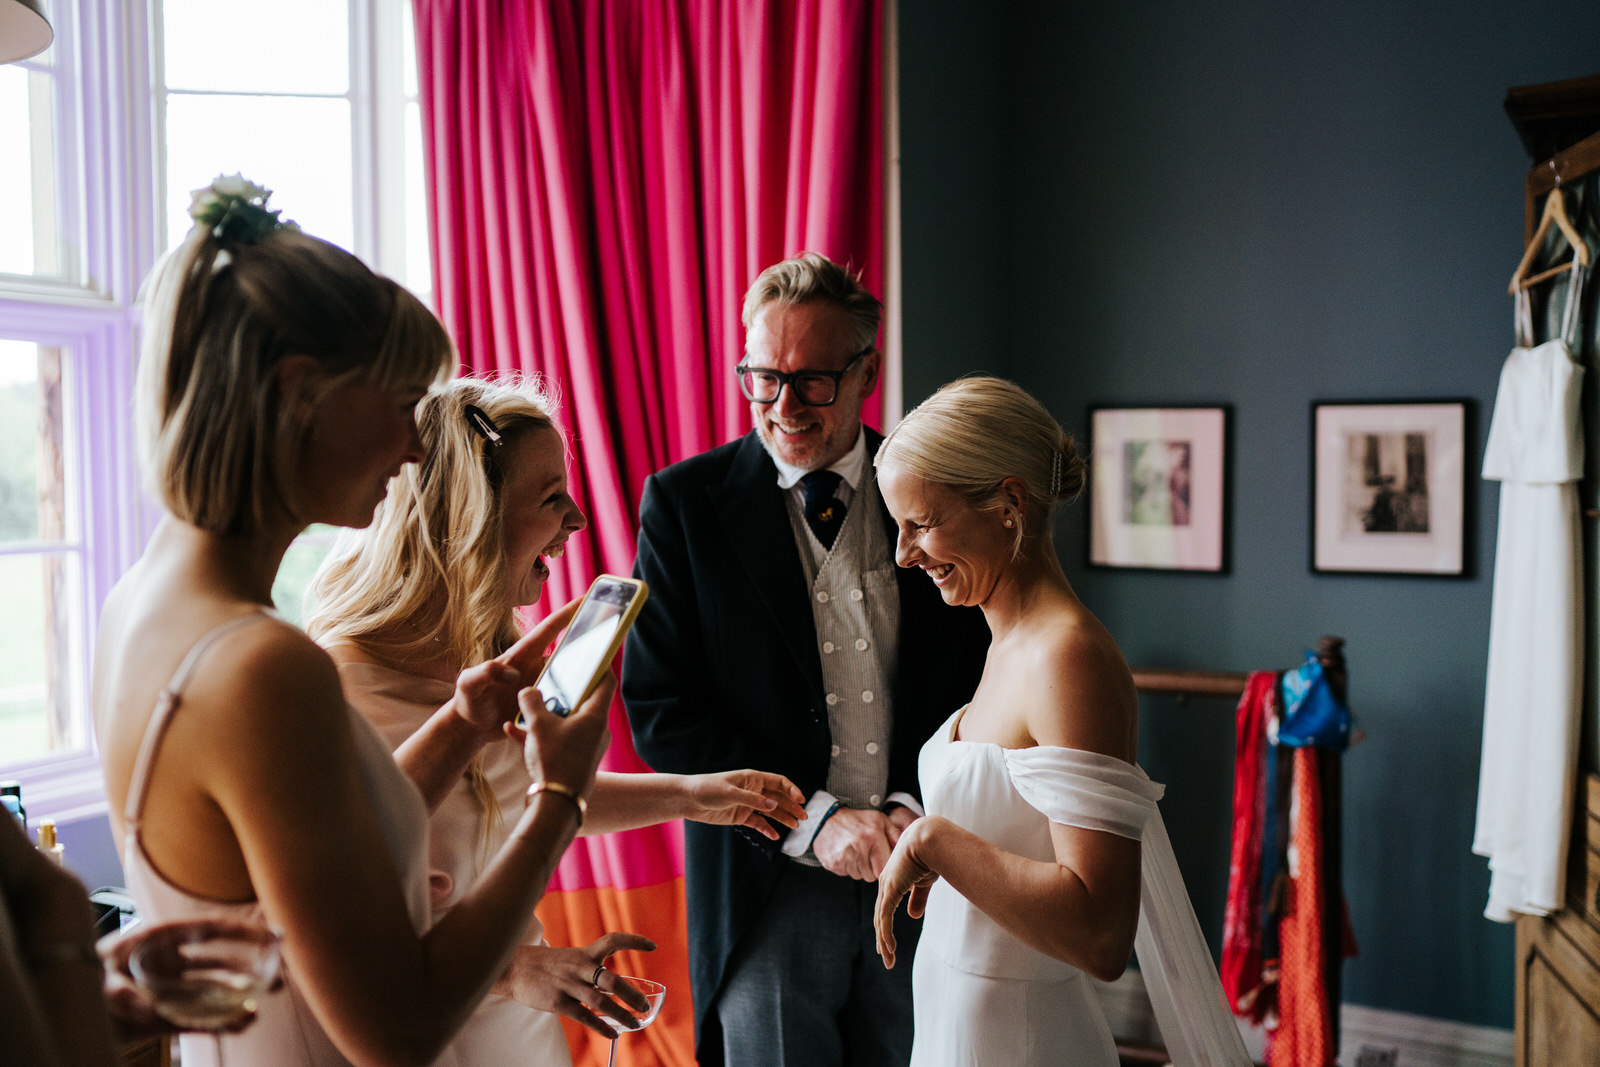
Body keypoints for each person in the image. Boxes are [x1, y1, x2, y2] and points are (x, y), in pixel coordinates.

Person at [93, 175, 614, 1067]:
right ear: (302, 392)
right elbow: (396, 1029)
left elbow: (294, 851)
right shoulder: (264, 663)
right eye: (405, 405)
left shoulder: (139, 603)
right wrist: (558, 799)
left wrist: (458, 722)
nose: (418, 448)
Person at [304, 376, 807, 1066]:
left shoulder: (492, 659)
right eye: (550, 499)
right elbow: (326, 918)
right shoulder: (334, 690)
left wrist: (697, 794)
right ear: (471, 521)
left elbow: (538, 790)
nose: (576, 519)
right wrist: (515, 969)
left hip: (519, 1038)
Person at [622, 252, 990, 1067]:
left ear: (868, 370)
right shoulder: (685, 505)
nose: (783, 406)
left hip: (925, 870)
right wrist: (812, 821)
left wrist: (909, 797)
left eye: (813, 381)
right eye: (761, 377)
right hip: (765, 891)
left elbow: (975, 673)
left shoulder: (932, 491)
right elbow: (661, 712)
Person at [871, 376, 1250, 1066]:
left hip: (1024, 1040)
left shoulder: (1067, 656)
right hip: (959, 1027)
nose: (904, 554)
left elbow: (1102, 932)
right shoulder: (1004, 642)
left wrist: (935, 842)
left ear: (1010, 504)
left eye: (921, 524)